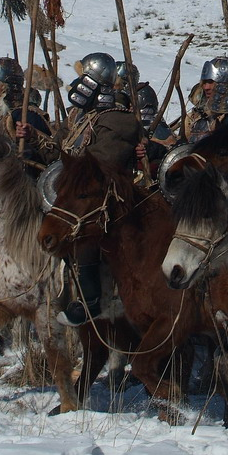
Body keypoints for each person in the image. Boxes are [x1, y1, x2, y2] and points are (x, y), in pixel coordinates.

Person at [55, 52, 142, 327]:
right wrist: (33, 139)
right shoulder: (80, 117)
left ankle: (90, 299)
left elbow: (100, 164)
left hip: (107, 197)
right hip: (72, 188)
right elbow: (62, 152)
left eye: (84, 78)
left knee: (85, 225)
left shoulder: (118, 120)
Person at [183, 58, 228, 143]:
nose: (206, 87)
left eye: (211, 82)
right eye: (204, 82)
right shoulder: (193, 118)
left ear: (224, 83)